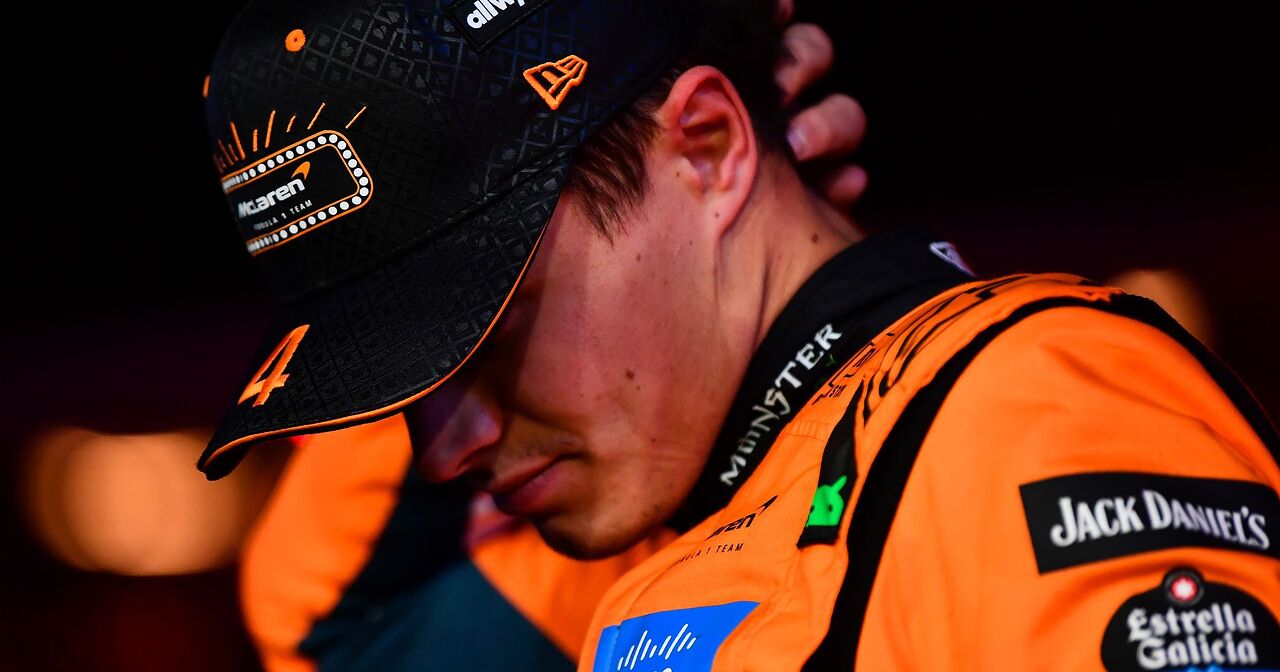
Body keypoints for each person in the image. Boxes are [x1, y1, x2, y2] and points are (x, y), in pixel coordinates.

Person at [200, 0, 1280, 671]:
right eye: (401, 383)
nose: (440, 450)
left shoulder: (1019, 406)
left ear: (710, 148)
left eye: (488, 327)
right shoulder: (668, 519)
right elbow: (330, 632)